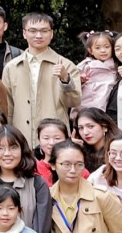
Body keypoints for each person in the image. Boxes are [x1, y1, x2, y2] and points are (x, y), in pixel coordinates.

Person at [4, 13, 80, 145]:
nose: (38, 35)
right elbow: (7, 108)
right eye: (33, 31)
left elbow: (74, 102)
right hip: (20, 137)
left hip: (55, 139)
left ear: (51, 33)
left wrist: (65, 79)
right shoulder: (12, 67)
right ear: (24, 33)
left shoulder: (66, 65)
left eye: (44, 31)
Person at [0, 126, 52, 233]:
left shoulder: (37, 183)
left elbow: (41, 228)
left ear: (22, 149)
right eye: (0, 148)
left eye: (13, 148)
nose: (7, 153)